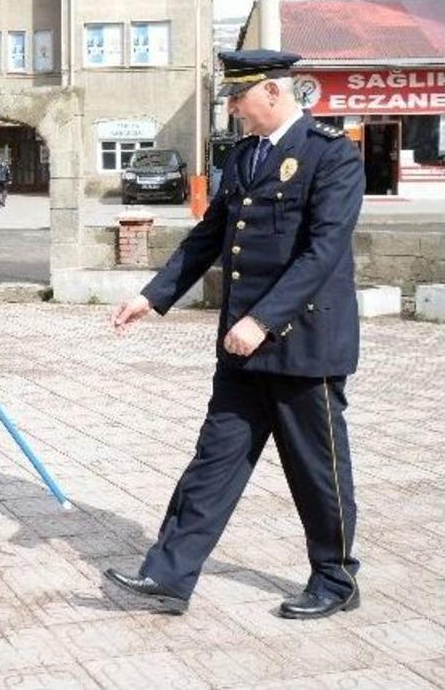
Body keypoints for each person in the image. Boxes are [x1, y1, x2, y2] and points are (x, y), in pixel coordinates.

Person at [105, 49, 364, 620]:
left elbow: (323, 250)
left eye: (239, 97)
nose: (233, 109)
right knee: (213, 463)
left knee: (317, 470)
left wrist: (263, 320)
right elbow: (209, 236)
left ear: (272, 91)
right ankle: (168, 575)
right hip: (242, 349)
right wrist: (151, 296)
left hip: (304, 344)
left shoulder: (332, 154)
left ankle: (336, 578)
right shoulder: (246, 156)